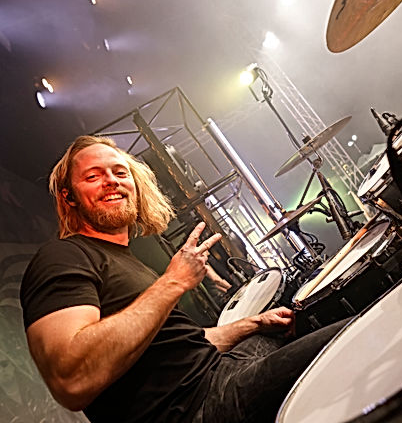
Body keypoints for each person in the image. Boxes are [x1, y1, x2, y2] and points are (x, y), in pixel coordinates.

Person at [20, 135, 351, 423]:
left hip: (218, 374)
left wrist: (253, 324)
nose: (111, 181)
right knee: (354, 336)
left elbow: (182, 348)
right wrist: (173, 282)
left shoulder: (124, 259)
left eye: (120, 173)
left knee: (311, 319)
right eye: (93, 176)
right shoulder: (63, 256)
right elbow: (71, 378)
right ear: (69, 197)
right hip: (199, 407)